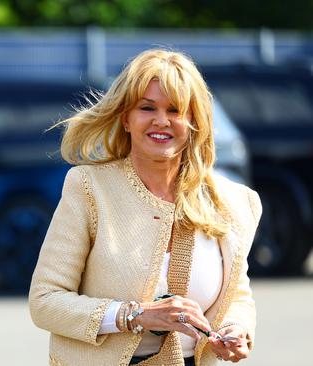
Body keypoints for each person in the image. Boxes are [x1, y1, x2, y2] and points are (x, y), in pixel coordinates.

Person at [29, 49, 261, 366]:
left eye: (175, 110)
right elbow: (45, 302)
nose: (161, 120)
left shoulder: (233, 201)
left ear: (194, 120)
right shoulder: (88, 187)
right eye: (147, 107)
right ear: (125, 118)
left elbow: (236, 295)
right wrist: (136, 315)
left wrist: (236, 330)